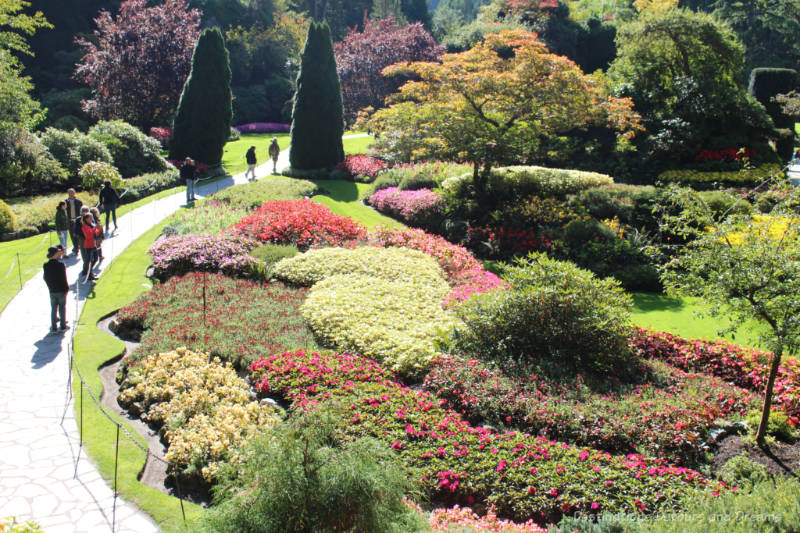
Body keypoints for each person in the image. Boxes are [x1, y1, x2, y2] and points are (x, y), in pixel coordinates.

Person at [43, 245, 69, 333]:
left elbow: (45, 278)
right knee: (62, 308)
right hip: (61, 290)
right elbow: (63, 278)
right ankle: (63, 326)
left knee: (54, 308)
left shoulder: (46, 265)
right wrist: (66, 289)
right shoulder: (61, 265)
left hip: (52, 290)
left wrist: (50, 287)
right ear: (55, 254)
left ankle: (54, 328)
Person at [80, 213, 101, 283]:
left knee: (95, 258)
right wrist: (95, 228)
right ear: (86, 219)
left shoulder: (91, 225)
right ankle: (89, 274)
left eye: (92, 218)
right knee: (89, 260)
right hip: (88, 246)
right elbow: (88, 236)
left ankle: (90, 272)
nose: (92, 219)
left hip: (93, 244)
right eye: (90, 218)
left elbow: (95, 233)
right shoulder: (84, 226)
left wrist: (99, 229)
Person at [65, 189, 83, 255]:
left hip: (77, 220)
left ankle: (78, 246)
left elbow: (81, 211)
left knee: (78, 235)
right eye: (69, 193)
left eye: (72, 193)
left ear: (74, 193)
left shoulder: (78, 202)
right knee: (72, 235)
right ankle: (76, 248)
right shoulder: (65, 202)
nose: (71, 194)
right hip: (70, 221)